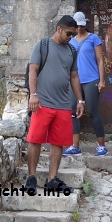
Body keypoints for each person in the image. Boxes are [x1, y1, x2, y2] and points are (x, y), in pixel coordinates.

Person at [24, 15, 86, 193]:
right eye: (68, 33)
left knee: (58, 142)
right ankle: (32, 177)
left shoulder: (71, 50)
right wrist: (33, 95)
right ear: (59, 29)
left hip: (64, 104)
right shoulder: (42, 46)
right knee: (35, 139)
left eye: (73, 34)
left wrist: (80, 100)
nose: (71, 37)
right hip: (42, 103)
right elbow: (32, 71)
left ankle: (52, 179)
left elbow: (74, 76)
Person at [63, 12, 109, 156]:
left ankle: (101, 145)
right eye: (78, 26)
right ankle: (75, 145)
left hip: (91, 79)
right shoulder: (70, 41)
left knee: (93, 111)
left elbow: (100, 60)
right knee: (73, 111)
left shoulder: (93, 38)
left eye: (82, 25)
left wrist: (102, 80)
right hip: (74, 80)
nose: (80, 28)